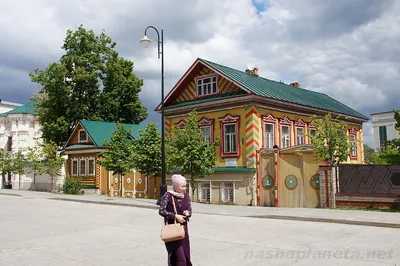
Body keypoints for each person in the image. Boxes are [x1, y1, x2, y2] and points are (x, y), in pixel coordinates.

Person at [159, 174, 192, 266]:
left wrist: (188, 213)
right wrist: (175, 216)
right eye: (182, 186)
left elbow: (190, 210)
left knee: (185, 256)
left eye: (186, 186)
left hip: (183, 231)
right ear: (176, 187)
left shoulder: (186, 196)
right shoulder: (168, 196)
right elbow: (162, 211)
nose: (185, 188)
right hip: (173, 231)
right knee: (179, 258)